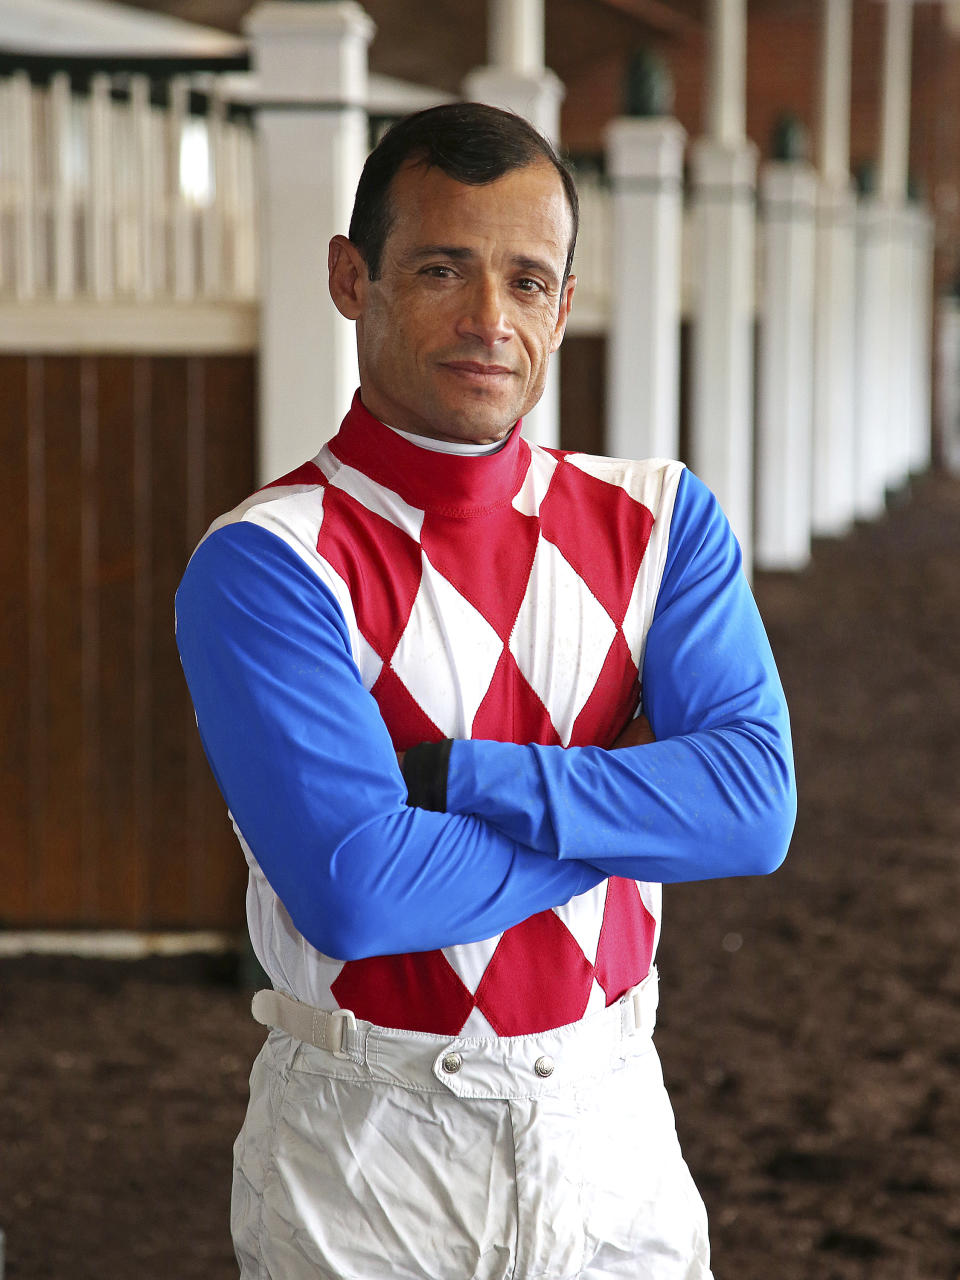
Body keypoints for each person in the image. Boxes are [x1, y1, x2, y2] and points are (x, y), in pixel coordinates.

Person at [175, 102, 796, 1280]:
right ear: (351, 278)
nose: (488, 320)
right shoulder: (267, 559)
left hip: (615, 1125)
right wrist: (644, 803)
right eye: (442, 269)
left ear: (563, 305)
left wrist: (459, 778)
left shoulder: (663, 520)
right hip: (372, 1149)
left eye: (526, 280)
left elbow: (755, 809)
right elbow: (360, 890)